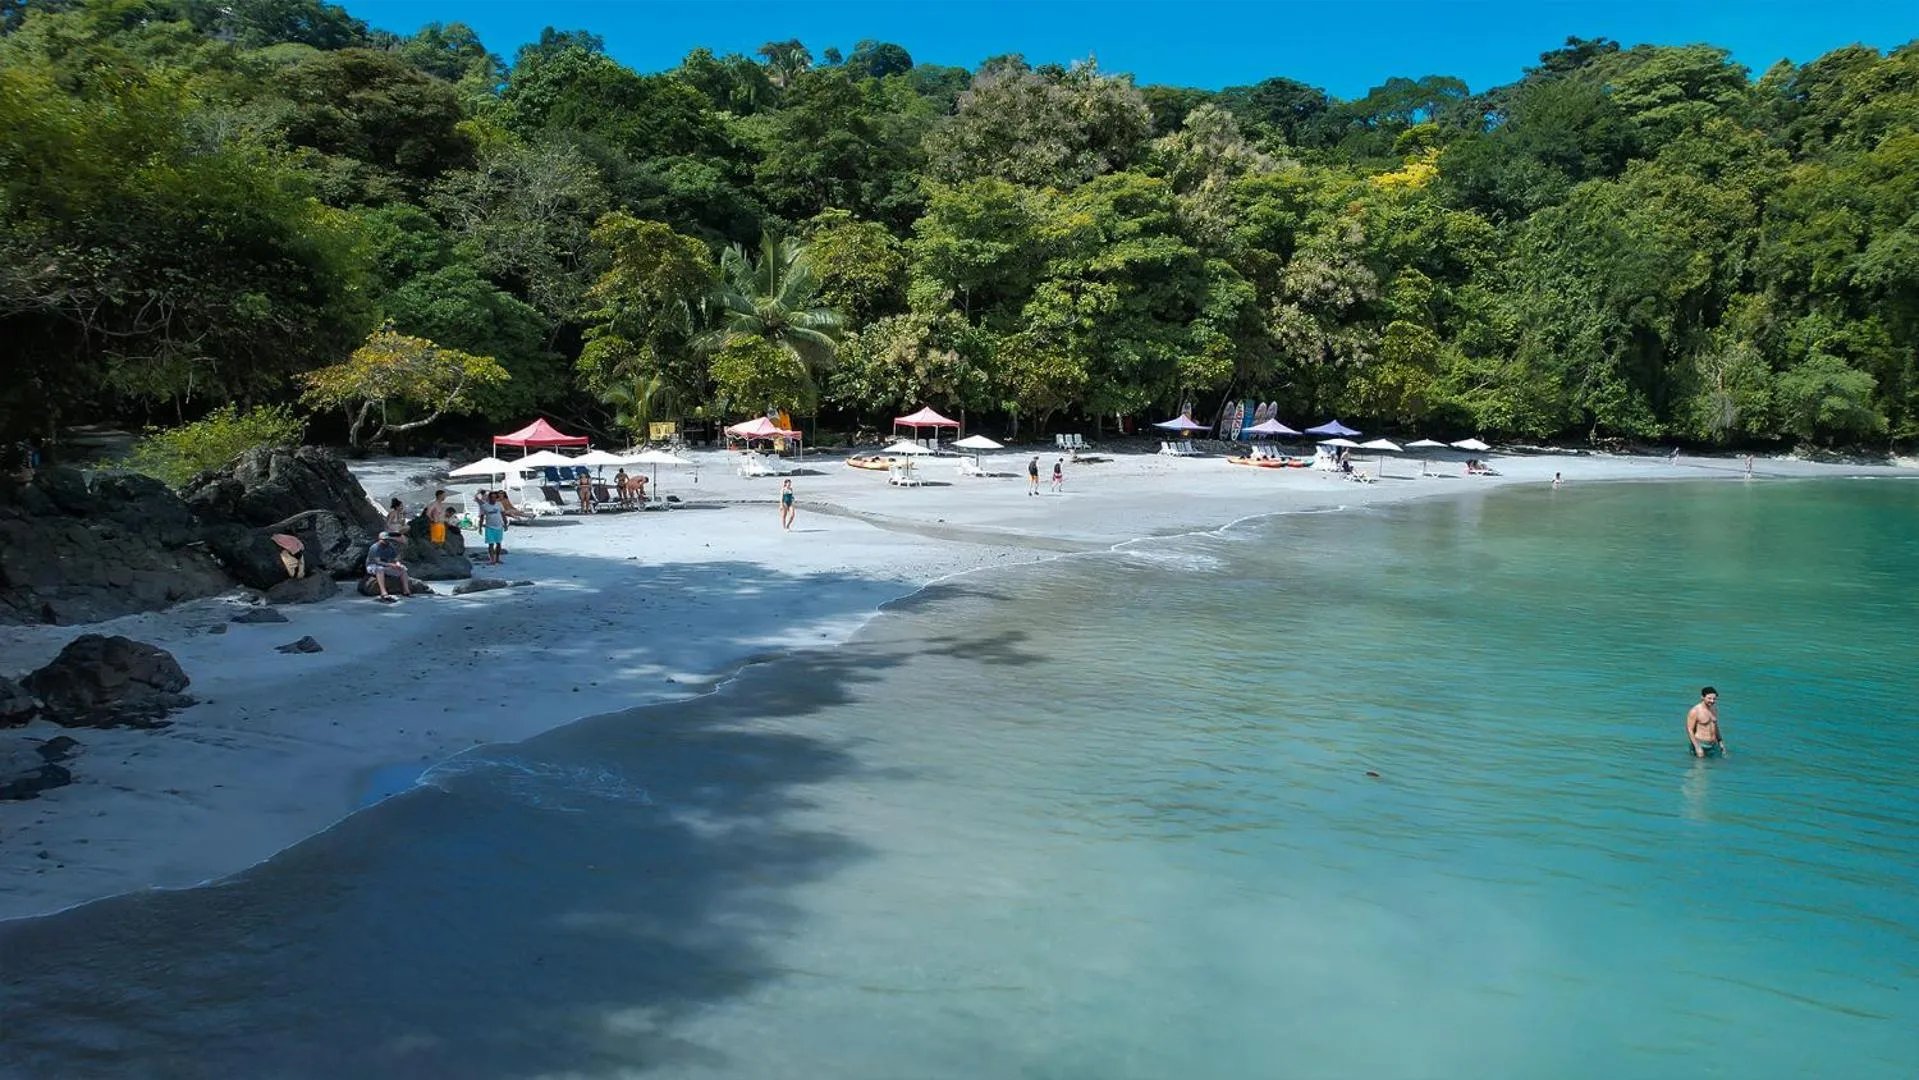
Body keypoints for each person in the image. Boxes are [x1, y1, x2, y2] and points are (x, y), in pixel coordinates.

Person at [366, 531, 412, 602]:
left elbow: (396, 559)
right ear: (380, 539)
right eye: (384, 540)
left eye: (387, 539)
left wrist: (398, 564)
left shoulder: (390, 547)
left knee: (403, 569)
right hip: (372, 566)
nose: (386, 541)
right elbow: (378, 562)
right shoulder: (375, 547)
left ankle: (406, 590)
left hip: (386, 565)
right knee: (380, 569)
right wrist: (390, 565)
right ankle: (383, 592)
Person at [1687, 686, 1728, 758]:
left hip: (1714, 745)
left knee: (1717, 766)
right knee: (1700, 768)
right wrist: (1697, 747)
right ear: (1702, 697)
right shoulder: (1695, 711)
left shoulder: (1714, 709)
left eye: (1714, 699)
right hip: (1701, 744)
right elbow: (1690, 730)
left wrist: (1721, 742)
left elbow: (1716, 726)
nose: (1712, 701)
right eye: (1709, 698)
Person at [479, 492, 508, 565]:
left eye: (495, 497)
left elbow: (503, 514)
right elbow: (482, 517)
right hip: (489, 527)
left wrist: (505, 524)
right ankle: (492, 559)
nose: (493, 499)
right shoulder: (484, 506)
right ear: (489, 498)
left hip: (499, 526)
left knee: (498, 543)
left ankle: (497, 558)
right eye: (492, 497)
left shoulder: (499, 504)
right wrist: (480, 527)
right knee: (490, 544)